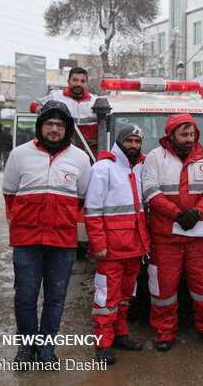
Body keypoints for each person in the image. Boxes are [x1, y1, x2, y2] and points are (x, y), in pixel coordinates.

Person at [2, 100, 91, 367]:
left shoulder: (80, 158)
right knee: (25, 296)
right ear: (40, 126)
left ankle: (47, 347)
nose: (54, 129)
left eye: (60, 125)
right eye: (49, 124)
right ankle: (26, 347)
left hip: (62, 241)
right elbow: (9, 195)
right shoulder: (19, 155)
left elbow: (82, 198)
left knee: (55, 297)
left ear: (68, 129)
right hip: (26, 241)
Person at [142, 113, 203, 352]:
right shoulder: (155, 157)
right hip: (166, 236)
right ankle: (165, 331)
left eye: (192, 134)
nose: (189, 139)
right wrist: (177, 214)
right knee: (163, 289)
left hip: (197, 235)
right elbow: (150, 191)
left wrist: (197, 212)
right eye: (183, 134)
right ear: (171, 135)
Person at [84, 123, 150, 365]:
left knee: (124, 295)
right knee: (105, 297)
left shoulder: (142, 167)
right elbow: (92, 210)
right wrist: (98, 243)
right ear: (120, 141)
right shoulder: (102, 168)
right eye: (129, 140)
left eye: (137, 141)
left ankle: (120, 335)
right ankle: (103, 343)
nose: (133, 145)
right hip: (110, 248)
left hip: (134, 246)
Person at [30, 67, 98, 154]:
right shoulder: (55, 96)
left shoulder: (95, 100)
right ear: (68, 81)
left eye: (82, 81)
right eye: (75, 80)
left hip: (90, 152)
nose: (78, 84)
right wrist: (48, 113)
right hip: (62, 149)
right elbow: (33, 106)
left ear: (86, 84)